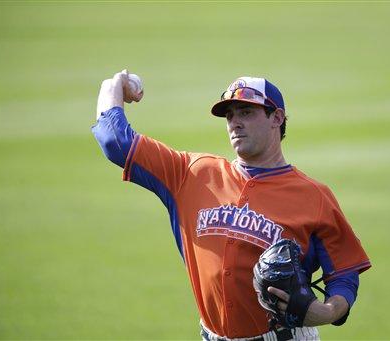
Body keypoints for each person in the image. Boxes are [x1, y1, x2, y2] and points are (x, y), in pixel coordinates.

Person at [92, 71, 371, 341]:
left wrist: (326, 311)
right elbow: (114, 141)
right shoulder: (191, 174)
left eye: (246, 112)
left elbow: (344, 274)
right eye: (230, 115)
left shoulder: (314, 196)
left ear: (277, 117)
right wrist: (112, 85)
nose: (235, 122)